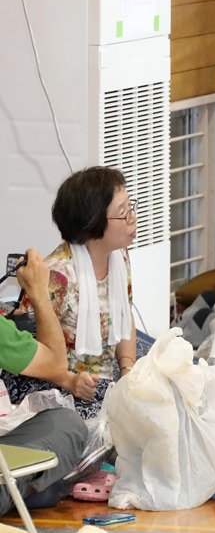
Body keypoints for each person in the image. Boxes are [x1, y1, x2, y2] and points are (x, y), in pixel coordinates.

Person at [2, 167, 137, 419]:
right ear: (92, 225)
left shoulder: (119, 255)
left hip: (108, 373)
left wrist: (128, 368)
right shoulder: (57, 277)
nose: (133, 217)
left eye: (131, 207)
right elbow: (33, 355)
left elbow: (124, 315)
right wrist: (73, 381)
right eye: (123, 212)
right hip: (64, 384)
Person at [0, 249, 88, 516]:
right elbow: (56, 364)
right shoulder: (61, 269)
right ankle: (15, 489)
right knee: (67, 426)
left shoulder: (120, 266)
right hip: (54, 372)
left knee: (49, 487)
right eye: (124, 210)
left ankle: (21, 488)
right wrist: (38, 291)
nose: (132, 218)